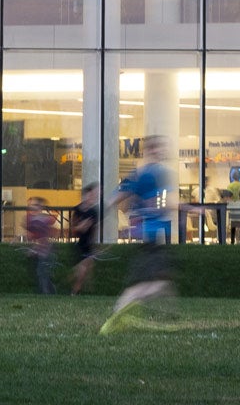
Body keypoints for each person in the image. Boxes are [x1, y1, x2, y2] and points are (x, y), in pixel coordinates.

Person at [102, 138, 179, 334]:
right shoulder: (159, 173)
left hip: (143, 235)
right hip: (153, 235)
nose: (163, 151)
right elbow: (166, 203)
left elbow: (114, 200)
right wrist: (191, 208)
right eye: (160, 147)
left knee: (152, 280)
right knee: (160, 283)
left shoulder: (137, 174)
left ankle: (117, 313)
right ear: (152, 150)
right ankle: (124, 310)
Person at [69, 183, 103, 296]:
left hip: (89, 243)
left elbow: (95, 228)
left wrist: (95, 244)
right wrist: (80, 226)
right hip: (80, 243)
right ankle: (74, 291)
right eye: (92, 194)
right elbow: (73, 228)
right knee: (83, 269)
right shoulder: (78, 210)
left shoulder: (94, 212)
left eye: (96, 195)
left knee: (86, 269)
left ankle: (77, 289)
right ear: (86, 195)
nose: (94, 197)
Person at [23, 197, 59, 294]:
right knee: (41, 272)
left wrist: (35, 248)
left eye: (35, 205)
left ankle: (46, 293)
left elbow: (47, 236)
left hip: (45, 250)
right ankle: (48, 292)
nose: (32, 207)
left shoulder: (45, 219)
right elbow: (30, 234)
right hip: (40, 249)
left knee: (42, 271)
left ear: (40, 207)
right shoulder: (30, 219)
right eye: (31, 205)